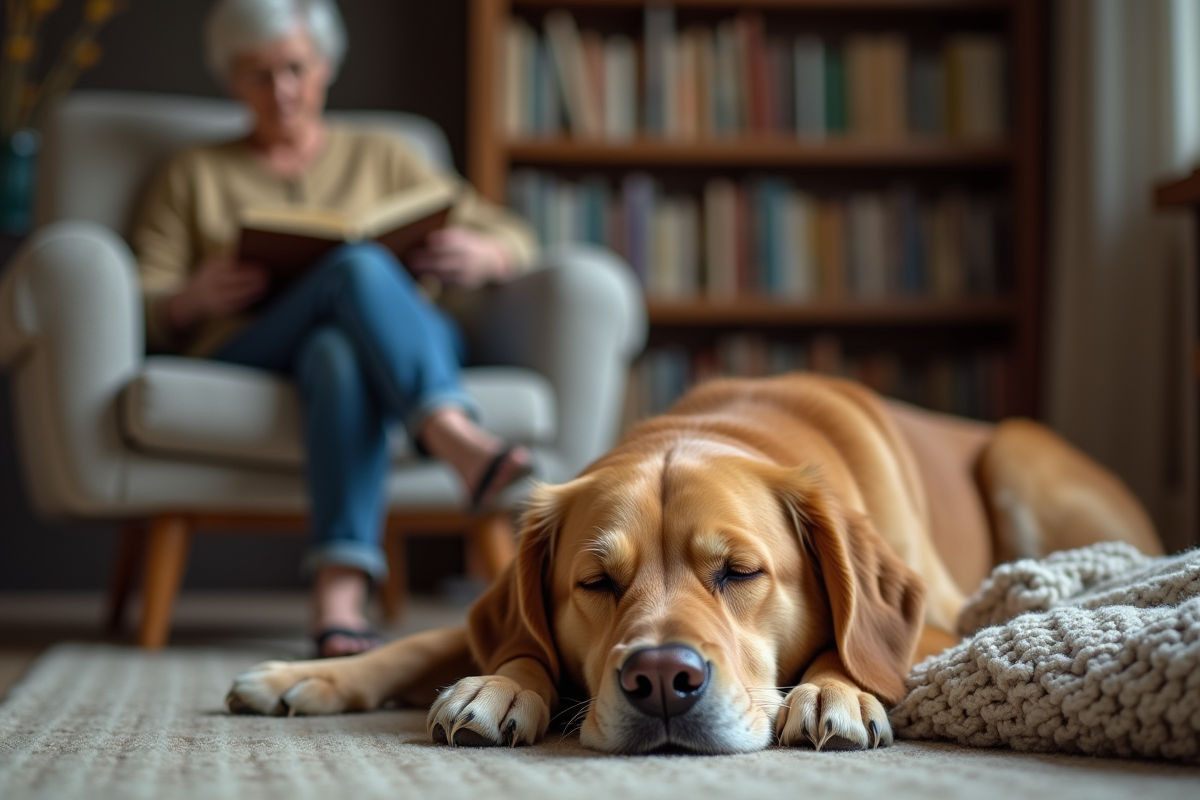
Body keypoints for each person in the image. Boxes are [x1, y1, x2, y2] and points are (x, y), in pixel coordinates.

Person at [131, 0, 537, 658]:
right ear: (231, 80)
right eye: (257, 74)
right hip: (257, 350)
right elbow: (144, 295)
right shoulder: (193, 175)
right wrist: (192, 296)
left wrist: (488, 255)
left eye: (294, 68)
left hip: (381, 347)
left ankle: (338, 597)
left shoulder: (386, 155)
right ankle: (454, 436)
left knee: (338, 354)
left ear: (324, 67)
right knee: (355, 264)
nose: (281, 91)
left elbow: (510, 231)